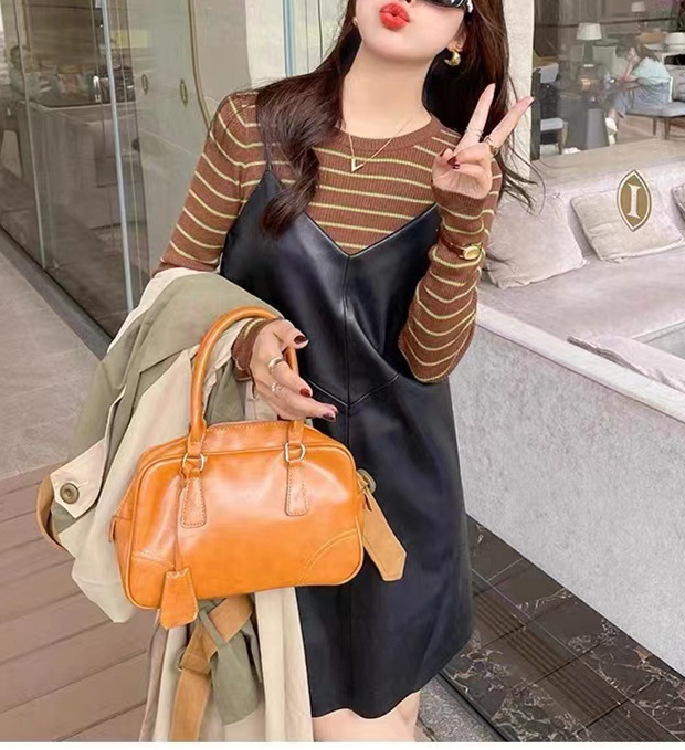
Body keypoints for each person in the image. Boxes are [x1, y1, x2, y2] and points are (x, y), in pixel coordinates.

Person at [153, 0, 532, 740]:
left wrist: (464, 222)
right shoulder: (251, 126)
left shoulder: (462, 163)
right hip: (269, 487)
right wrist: (248, 341)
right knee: (336, 718)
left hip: (407, 495)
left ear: (462, 32)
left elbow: (428, 358)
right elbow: (173, 284)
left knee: (394, 706)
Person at [605, 36, 672, 139]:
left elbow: (626, 80)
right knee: (621, 95)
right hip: (657, 92)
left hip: (655, 96)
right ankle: (611, 123)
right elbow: (637, 80)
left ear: (631, 51)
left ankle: (610, 122)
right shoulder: (649, 59)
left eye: (625, 56)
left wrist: (631, 63)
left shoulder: (645, 64)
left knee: (621, 95)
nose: (625, 59)